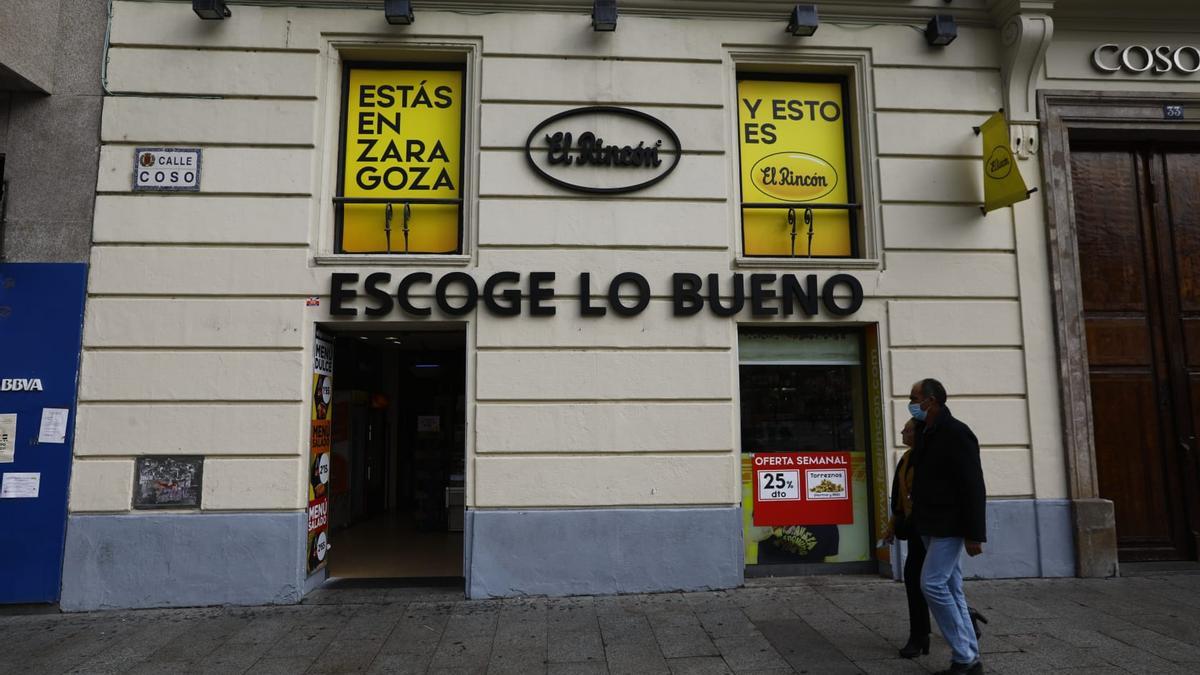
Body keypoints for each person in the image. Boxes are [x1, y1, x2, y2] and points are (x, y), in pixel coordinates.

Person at [909, 378, 987, 675]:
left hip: (949, 524)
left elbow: (973, 485)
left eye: (914, 397)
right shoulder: (927, 431)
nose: (912, 402)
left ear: (930, 400)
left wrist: (974, 533)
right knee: (951, 587)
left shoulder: (956, 433)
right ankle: (969, 658)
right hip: (930, 522)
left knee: (932, 584)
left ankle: (964, 656)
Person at [884, 417, 930, 658]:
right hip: (914, 529)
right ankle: (920, 634)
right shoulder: (906, 459)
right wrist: (892, 524)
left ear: (919, 434)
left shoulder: (927, 460)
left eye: (908, 429)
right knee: (917, 580)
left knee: (933, 583)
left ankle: (920, 635)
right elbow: (899, 498)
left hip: (933, 530)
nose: (902, 431)